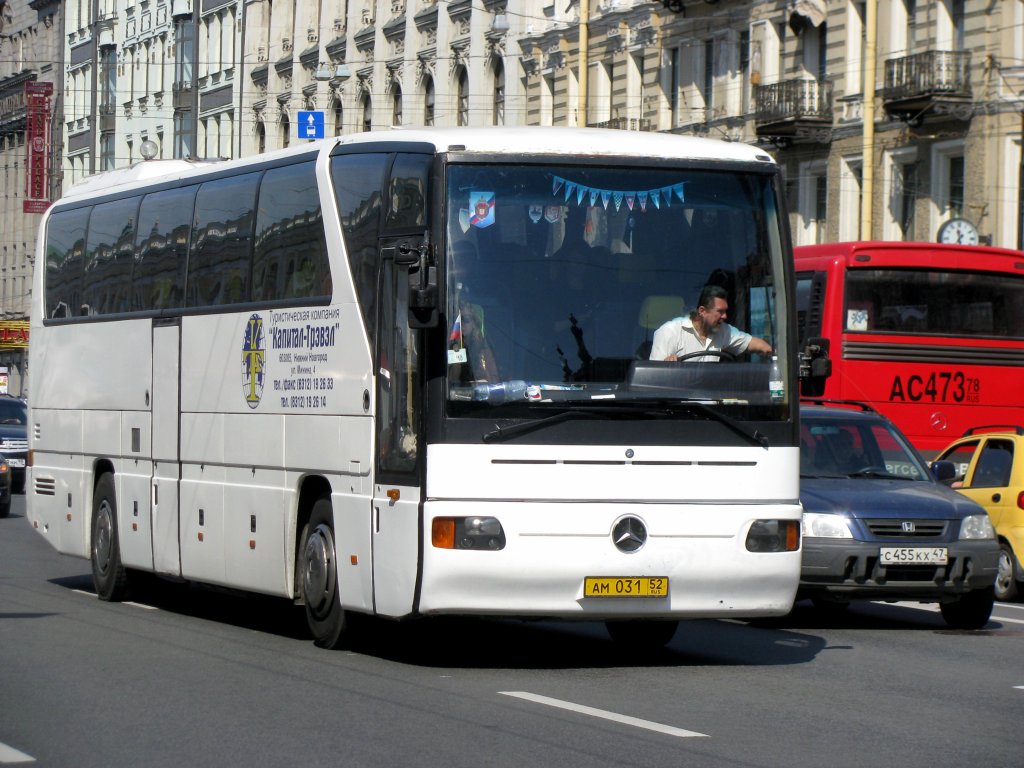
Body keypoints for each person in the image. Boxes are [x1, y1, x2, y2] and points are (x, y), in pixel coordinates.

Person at [649, 284, 772, 362]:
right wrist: (667, 365)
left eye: (725, 311)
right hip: (679, 401)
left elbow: (754, 343)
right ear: (702, 311)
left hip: (711, 400)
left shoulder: (723, 331)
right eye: (720, 312)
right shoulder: (670, 331)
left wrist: (772, 353)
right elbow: (653, 379)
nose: (725, 316)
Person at [448, 240, 501, 384]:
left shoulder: (483, 291)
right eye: (460, 259)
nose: (463, 265)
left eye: (468, 260)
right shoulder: (444, 292)